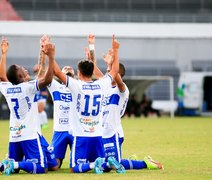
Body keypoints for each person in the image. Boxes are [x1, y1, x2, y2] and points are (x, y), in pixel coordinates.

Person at [88, 34, 163, 171]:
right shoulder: (104, 84)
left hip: (113, 132)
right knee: (105, 163)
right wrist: (92, 45)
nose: (107, 73)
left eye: (109, 71)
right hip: (100, 132)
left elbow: (115, 74)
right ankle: (132, 160)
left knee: (113, 165)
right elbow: (92, 69)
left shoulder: (122, 89)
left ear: (118, 74)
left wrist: (114, 56)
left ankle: (145, 163)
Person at [53, 35, 124, 174]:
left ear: (78, 73)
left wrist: (50, 55)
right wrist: (116, 51)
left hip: (81, 136)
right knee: (101, 165)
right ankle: (106, 163)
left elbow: (56, 71)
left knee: (75, 168)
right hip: (98, 135)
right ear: (92, 72)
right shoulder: (102, 84)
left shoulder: (76, 85)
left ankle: (93, 165)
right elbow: (115, 71)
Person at [0, 37, 55, 175]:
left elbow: (2, 76)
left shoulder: (7, 88)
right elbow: (47, 78)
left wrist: (4, 54)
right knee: (41, 167)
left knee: (53, 165)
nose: (25, 69)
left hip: (15, 136)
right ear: (20, 75)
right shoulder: (28, 87)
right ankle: (14, 163)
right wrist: (51, 57)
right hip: (30, 134)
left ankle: (4, 165)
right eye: (22, 68)